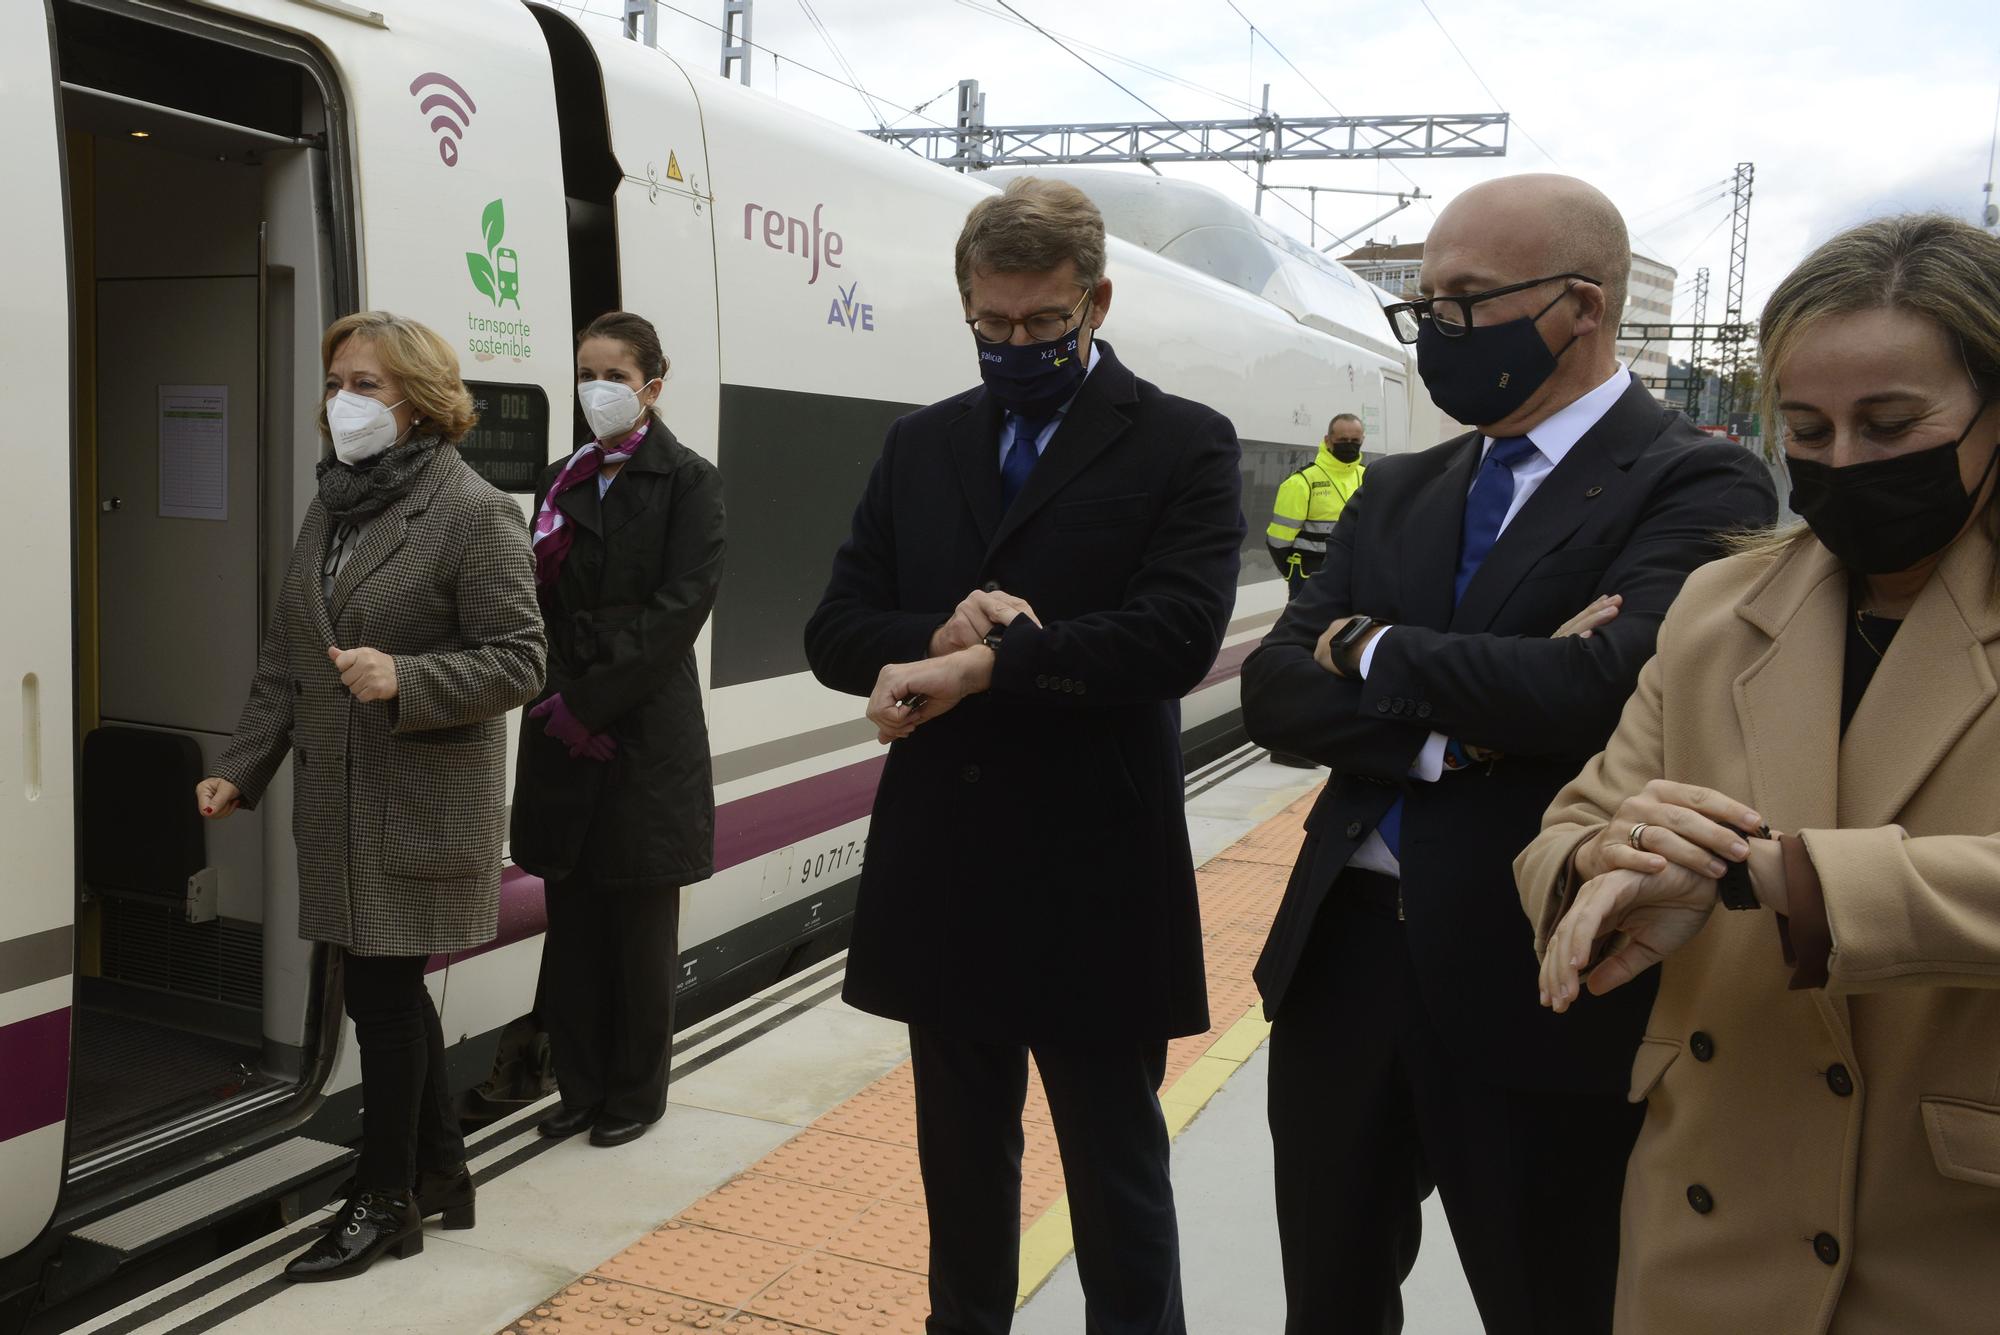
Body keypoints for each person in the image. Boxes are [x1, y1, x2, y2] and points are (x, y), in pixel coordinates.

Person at [1240, 174, 1777, 1334]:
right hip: (1339, 967)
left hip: (1536, 969)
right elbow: (1273, 695)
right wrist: (1479, 716)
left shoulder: (1692, 478)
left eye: (1465, 299)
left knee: (1551, 1300)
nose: (1435, 327)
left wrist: (1365, 646)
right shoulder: (1394, 488)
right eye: (1424, 300)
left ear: (1577, 305)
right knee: (1324, 1302)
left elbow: (1605, 692)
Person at [1518, 214, 2000, 1333]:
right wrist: (1609, 858)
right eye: (1806, 429)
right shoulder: (1718, 610)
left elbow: (1774, 875)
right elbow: (1571, 823)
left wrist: (1774, 876)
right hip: (1705, 1242)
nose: (1841, 463)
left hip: (1947, 1245)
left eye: (1888, 425)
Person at [802, 175, 1243, 1335]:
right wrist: (929, 637)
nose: (1014, 346)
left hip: (1096, 864)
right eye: (989, 326)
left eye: (1042, 324)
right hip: (944, 866)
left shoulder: (1181, 444)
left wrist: (996, 663)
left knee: (1115, 1175)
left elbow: (1176, 636)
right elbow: (835, 628)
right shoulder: (921, 445)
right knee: (958, 1171)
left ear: (1094, 302)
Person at [196, 311, 545, 1280]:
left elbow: (521, 661)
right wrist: (243, 765)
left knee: (382, 998)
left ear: (422, 405)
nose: (341, 403)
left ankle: (384, 1199)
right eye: (336, 381)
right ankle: (438, 1172)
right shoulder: (336, 504)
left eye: (364, 385)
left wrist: (409, 679)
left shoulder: (473, 512)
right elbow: (288, 662)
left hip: (421, 797)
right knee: (386, 993)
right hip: (339, 798)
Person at [510, 311, 725, 1149]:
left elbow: (680, 610)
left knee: (638, 926)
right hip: (565, 724)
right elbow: (540, 602)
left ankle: (635, 1095)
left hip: (644, 735)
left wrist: (591, 704)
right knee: (574, 921)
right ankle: (579, 1085)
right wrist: (559, 700)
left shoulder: (690, 482)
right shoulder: (560, 477)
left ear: (652, 388)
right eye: (585, 373)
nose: (595, 389)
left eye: (612, 377)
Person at [1266, 411, 1367, 587]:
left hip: (1354, 576)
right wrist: (1293, 574)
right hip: (1311, 577)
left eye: (1355, 441)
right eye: (1343, 440)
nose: (1349, 445)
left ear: (1362, 440)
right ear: (1328, 440)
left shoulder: (1367, 476)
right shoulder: (1301, 482)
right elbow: (1278, 541)